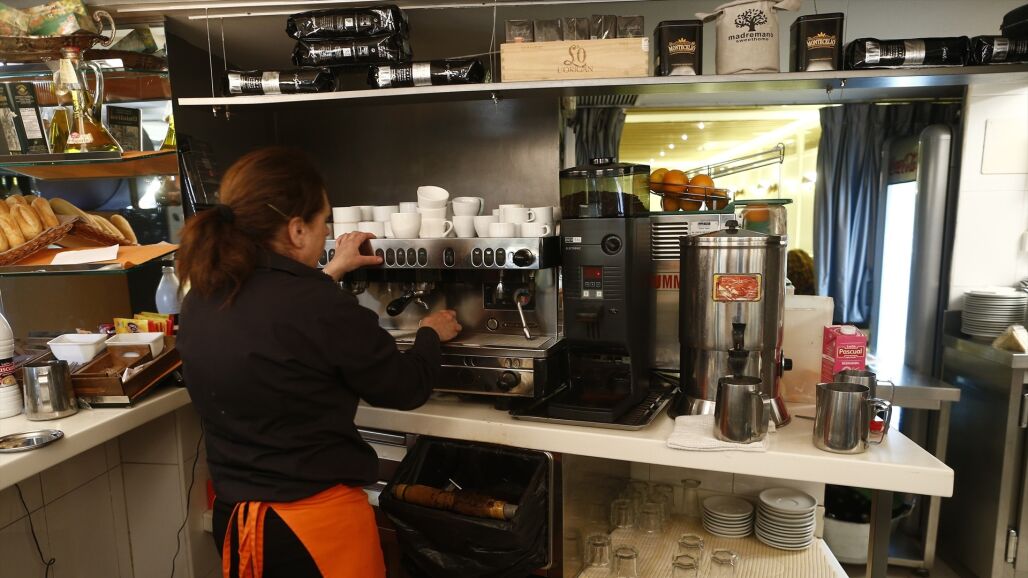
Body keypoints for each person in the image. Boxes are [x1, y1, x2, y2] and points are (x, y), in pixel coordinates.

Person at [176, 147, 461, 578]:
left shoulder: (203, 295)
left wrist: (331, 272)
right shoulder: (317, 306)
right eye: (323, 221)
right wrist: (429, 334)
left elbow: (279, 320)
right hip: (312, 530)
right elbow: (406, 387)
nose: (327, 231)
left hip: (238, 523)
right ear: (296, 230)